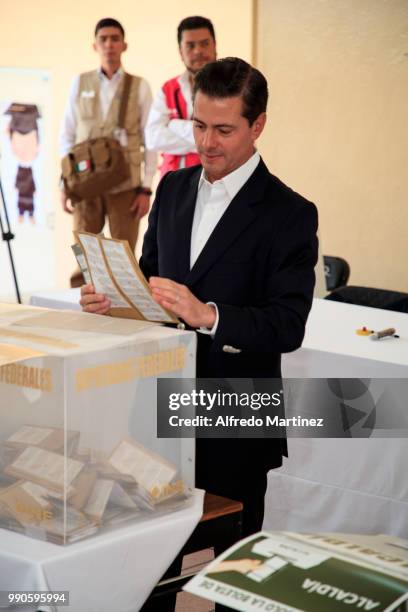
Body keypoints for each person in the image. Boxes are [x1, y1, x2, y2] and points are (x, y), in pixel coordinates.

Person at [80, 57, 319, 540]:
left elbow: (288, 325)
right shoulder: (171, 188)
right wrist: (116, 300)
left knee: (233, 569)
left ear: (258, 126)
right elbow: (151, 279)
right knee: (148, 562)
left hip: (236, 415)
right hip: (157, 407)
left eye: (224, 130)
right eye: (199, 125)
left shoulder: (290, 213)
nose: (207, 143)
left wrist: (208, 315)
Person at [59, 17, 156, 287]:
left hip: (126, 185)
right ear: (95, 45)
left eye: (115, 39)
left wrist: (146, 188)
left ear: (124, 45)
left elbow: (151, 139)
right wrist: (64, 183)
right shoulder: (79, 83)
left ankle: (123, 314)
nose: (109, 44)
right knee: (84, 254)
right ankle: (81, 308)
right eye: (104, 39)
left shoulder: (140, 86)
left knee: (122, 256)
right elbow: (66, 135)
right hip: (85, 183)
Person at [145, 15, 216, 177]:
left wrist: (174, 125)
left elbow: (227, 139)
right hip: (172, 184)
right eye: (190, 46)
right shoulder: (168, 89)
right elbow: (153, 138)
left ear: (215, 45)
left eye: (204, 44)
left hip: (216, 181)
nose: (198, 51)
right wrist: (202, 141)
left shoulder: (232, 87)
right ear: (180, 52)